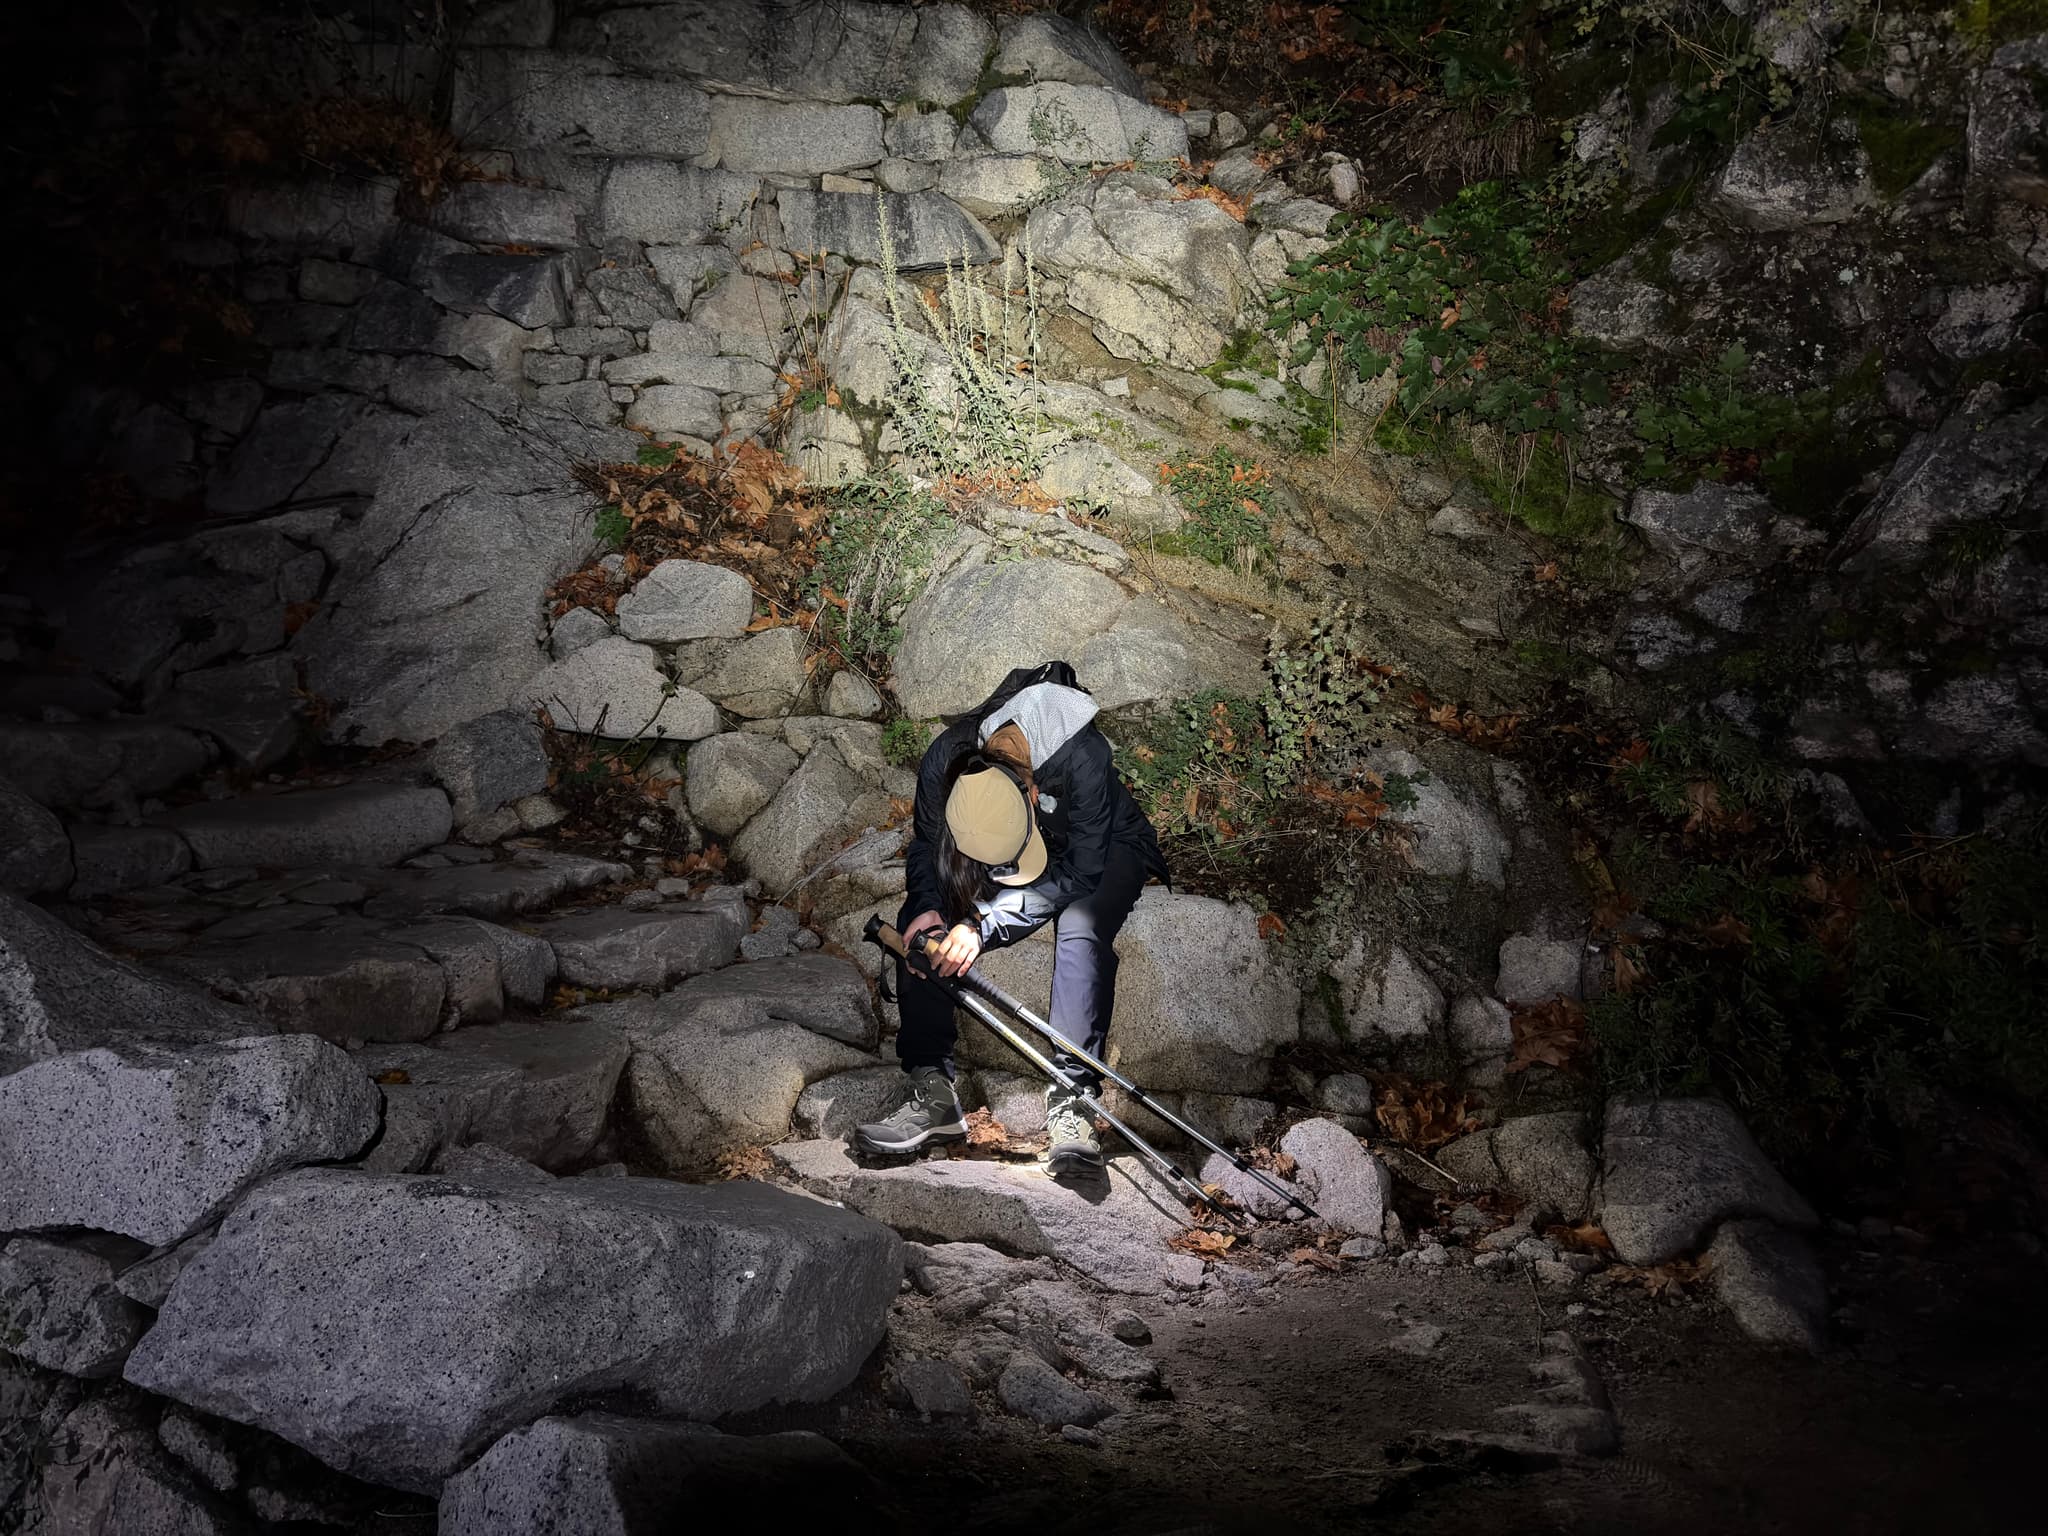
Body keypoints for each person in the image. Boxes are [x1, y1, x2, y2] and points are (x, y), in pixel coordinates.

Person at [854, 661, 1169, 1178]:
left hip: (1104, 848)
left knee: (1081, 925)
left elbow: (1080, 873)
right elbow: (929, 845)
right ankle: (932, 1089)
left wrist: (982, 924)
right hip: (1001, 843)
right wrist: (930, 907)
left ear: (1031, 795)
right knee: (925, 926)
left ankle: (1074, 1099)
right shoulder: (949, 759)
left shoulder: (1084, 757)